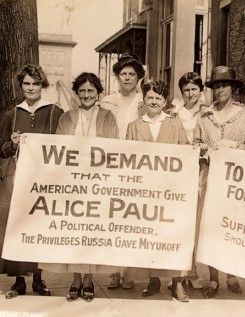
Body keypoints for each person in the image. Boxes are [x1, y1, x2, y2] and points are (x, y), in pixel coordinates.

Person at [40, 72, 118, 302]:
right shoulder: (66, 117)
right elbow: (60, 146)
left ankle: (89, 279)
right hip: (72, 182)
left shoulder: (108, 117)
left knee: (92, 231)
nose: (86, 95)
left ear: (98, 93)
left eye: (90, 91)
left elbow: (112, 146)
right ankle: (75, 279)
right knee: (74, 231)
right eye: (82, 91)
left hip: (97, 182)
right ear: (76, 93)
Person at [0, 64, 63, 298]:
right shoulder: (13, 113)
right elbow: (2, 149)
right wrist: (12, 144)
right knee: (19, 226)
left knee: (40, 227)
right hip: (19, 178)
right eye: (26, 83)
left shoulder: (54, 111)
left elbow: (63, 146)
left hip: (45, 179)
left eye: (35, 83)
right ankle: (18, 281)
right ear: (21, 86)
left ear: (42, 85)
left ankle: (38, 278)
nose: (31, 88)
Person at [126, 80, 190, 302]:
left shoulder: (174, 123)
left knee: (172, 234)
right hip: (145, 190)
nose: (153, 102)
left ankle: (177, 283)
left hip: (170, 190)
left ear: (165, 102)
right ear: (144, 99)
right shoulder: (134, 126)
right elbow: (126, 157)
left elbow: (185, 151)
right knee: (150, 235)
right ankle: (154, 280)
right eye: (150, 97)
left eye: (158, 98)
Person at [193, 65, 245, 298]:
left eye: (224, 85)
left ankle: (232, 275)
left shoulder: (243, 115)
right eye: (216, 86)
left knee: (231, 226)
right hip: (209, 177)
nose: (220, 90)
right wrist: (207, 150)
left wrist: (234, 148)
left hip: (234, 181)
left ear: (233, 88)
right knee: (211, 227)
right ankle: (214, 278)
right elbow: (195, 143)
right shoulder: (204, 116)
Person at [101, 53, 145, 289]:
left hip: (136, 164)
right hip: (112, 162)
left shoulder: (143, 100)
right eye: (123, 74)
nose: (127, 78)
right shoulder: (108, 100)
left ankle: (127, 270)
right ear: (117, 77)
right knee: (112, 216)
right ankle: (113, 271)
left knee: (131, 217)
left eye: (132, 74)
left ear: (138, 78)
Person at [169, 72, 208, 290]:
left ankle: (192, 270)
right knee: (180, 218)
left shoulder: (208, 112)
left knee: (196, 219)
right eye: (186, 90)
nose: (190, 93)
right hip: (180, 168)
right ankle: (178, 271)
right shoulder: (174, 113)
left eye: (194, 89)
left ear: (200, 90)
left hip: (201, 167)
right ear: (181, 92)